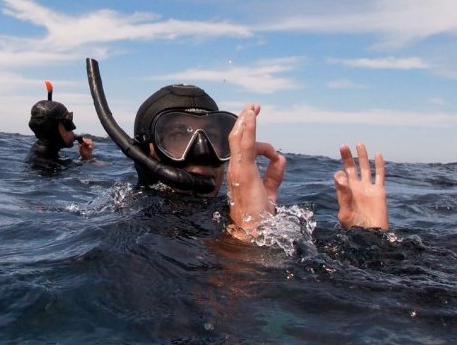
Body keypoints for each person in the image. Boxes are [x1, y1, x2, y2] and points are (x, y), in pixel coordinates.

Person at [127, 83, 389, 242]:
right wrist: (246, 232)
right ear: (146, 151)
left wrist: (369, 239)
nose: (202, 153)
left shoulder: (240, 215)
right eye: (176, 136)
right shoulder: (131, 229)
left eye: (215, 137)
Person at [27, 81, 94, 163]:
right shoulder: (50, 168)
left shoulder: (40, 152)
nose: (72, 129)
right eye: (68, 123)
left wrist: (84, 156)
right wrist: (87, 159)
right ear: (52, 129)